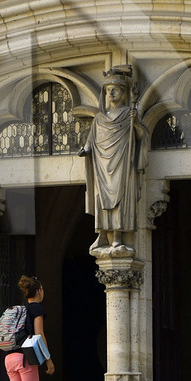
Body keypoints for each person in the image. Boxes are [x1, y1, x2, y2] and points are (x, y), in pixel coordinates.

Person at [74, 65, 146, 255]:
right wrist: (86, 149)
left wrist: (136, 122)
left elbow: (140, 136)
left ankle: (118, 237)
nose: (111, 93)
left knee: (120, 198)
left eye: (114, 90)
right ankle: (103, 234)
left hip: (122, 162)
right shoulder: (99, 118)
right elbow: (91, 140)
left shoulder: (128, 115)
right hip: (102, 164)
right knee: (101, 198)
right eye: (107, 91)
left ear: (123, 92)